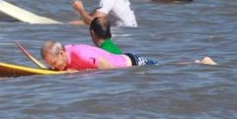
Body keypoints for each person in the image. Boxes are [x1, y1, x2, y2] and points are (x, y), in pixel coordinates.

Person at [40, 41, 215, 71]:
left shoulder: (83, 55)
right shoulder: (65, 52)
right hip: (127, 60)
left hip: (132, 64)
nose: (54, 67)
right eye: (51, 65)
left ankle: (199, 62)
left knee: (166, 67)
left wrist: (75, 73)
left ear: (62, 53)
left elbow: (108, 70)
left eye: (54, 63)